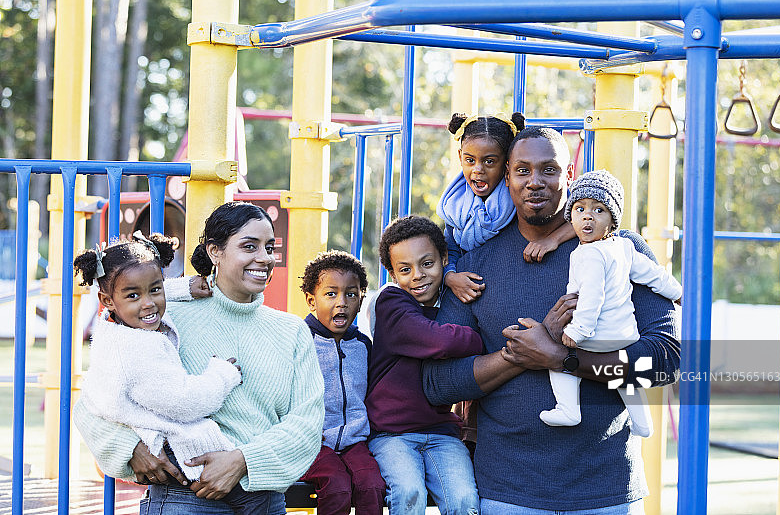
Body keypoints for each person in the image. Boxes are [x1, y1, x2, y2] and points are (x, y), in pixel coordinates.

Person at [422, 126, 680, 514]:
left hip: (607, 490)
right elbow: (438, 382)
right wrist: (517, 355)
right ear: (506, 176)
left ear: (569, 177)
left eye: (549, 170)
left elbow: (664, 361)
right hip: (507, 493)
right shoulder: (476, 264)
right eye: (523, 171)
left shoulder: (620, 249)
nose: (535, 182)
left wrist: (560, 358)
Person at [74, 202, 324, 515]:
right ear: (215, 251)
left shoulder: (291, 331)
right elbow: (93, 401)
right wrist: (129, 449)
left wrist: (242, 461)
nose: (265, 258)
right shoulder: (161, 319)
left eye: (269, 247)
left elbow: (307, 422)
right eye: (250, 246)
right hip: (183, 495)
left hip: (261, 498)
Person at [540, 169, 682, 437]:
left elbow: (592, 297)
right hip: (625, 337)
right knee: (623, 379)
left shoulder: (589, 254)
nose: (587, 216)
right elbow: (653, 274)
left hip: (595, 335)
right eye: (580, 209)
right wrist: (677, 292)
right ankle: (642, 423)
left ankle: (568, 409)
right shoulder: (625, 247)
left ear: (613, 220)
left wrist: (577, 331)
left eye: (599, 210)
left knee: (555, 359)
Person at [366, 215, 483, 515]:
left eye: (427, 264)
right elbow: (437, 341)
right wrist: (476, 338)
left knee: (464, 501)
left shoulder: (452, 305)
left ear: (444, 259)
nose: (417, 276)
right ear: (392, 274)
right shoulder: (392, 302)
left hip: (441, 432)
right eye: (405, 270)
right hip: (393, 434)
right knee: (408, 493)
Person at [437, 112, 576, 304]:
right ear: (460, 156)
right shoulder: (455, 205)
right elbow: (448, 249)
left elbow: (585, 214)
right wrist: (449, 277)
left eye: (489, 161)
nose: (478, 169)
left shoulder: (518, 200)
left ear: (505, 167)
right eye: (470, 160)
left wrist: (553, 239)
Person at [299, 250, 385, 515]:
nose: (342, 302)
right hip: (312, 442)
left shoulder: (363, 346)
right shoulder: (300, 342)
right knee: (337, 488)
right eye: (331, 294)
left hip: (354, 442)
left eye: (351, 294)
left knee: (372, 486)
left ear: (361, 300)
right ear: (312, 300)